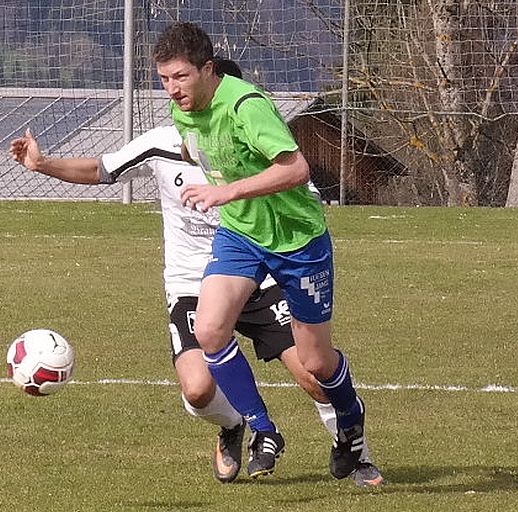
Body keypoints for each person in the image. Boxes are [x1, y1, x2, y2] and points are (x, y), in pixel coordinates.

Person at [8, 123, 383, 487]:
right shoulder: (161, 144)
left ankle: (357, 453)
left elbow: (301, 192)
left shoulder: (251, 141)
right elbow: (101, 169)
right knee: (197, 390)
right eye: (172, 91)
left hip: (259, 276)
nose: (179, 99)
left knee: (313, 375)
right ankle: (234, 424)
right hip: (192, 284)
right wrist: (42, 164)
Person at [152, 22, 371, 481]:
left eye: (181, 77)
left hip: (297, 240)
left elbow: (296, 169)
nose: (172, 89)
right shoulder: (183, 110)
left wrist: (226, 191)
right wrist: (209, 174)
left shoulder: (246, 105)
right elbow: (198, 150)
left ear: (208, 69)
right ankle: (263, 428)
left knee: (316, 362)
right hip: (241, 235)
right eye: (165, 78)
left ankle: (351, 420)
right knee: (209, 330)